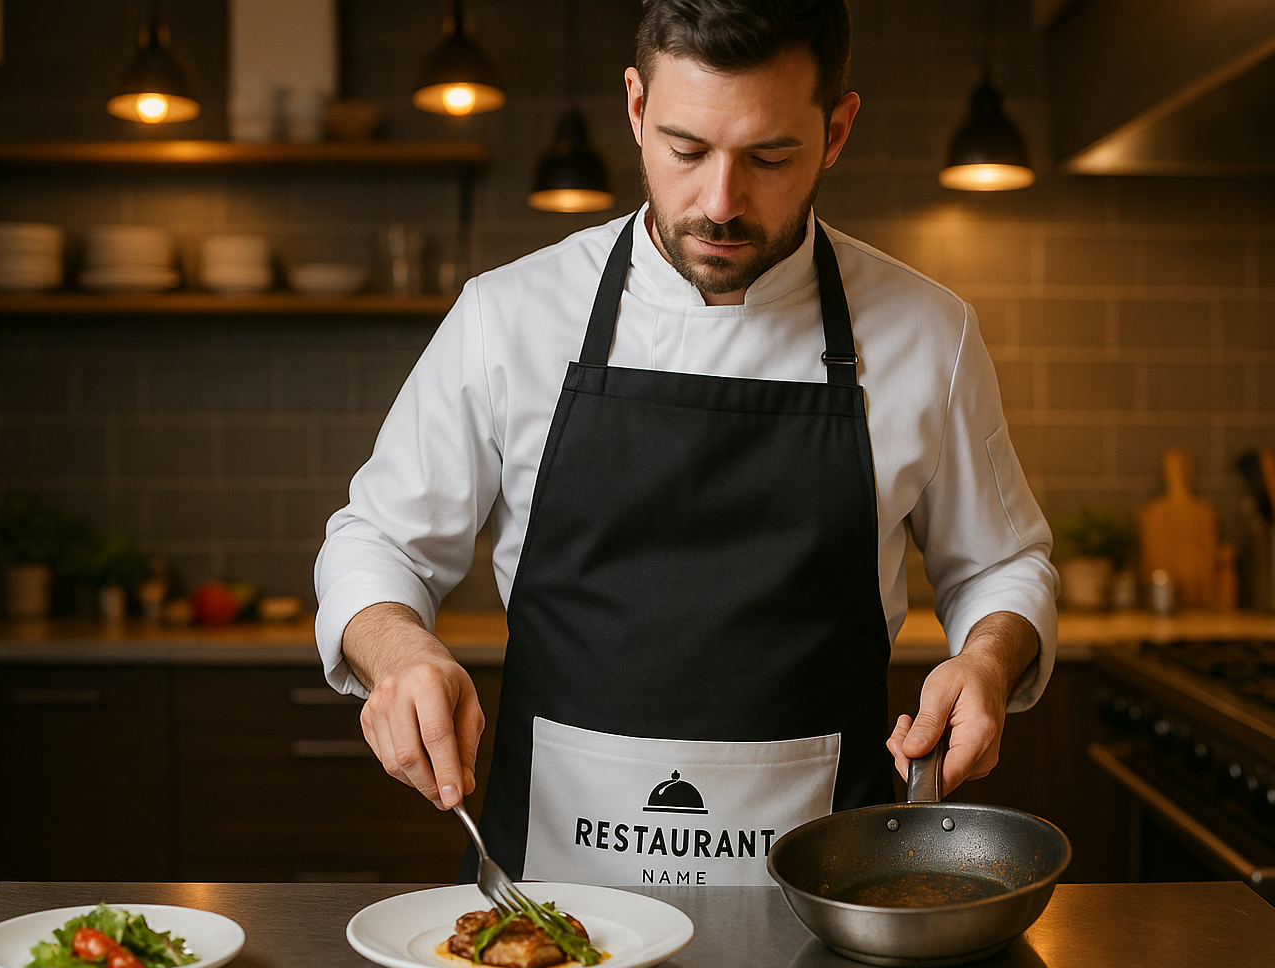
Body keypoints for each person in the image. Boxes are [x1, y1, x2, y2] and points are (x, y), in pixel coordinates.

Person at [314, 0, 1058, 886]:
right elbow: (376, 543)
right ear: (634, 108)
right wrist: (401, 652)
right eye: (686, 149)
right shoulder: (508, 317)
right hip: (555, 909)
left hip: (825, 901)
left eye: (769, 157)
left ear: (837, 131)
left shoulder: (928, 334)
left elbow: (1003, 565)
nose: (719, 202)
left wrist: (985, 657)